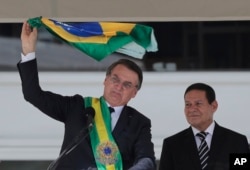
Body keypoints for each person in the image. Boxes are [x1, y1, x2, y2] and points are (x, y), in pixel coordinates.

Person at [18, 21, 156, 170]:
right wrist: (28, 49)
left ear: (134, 92)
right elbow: (33, 94)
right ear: (106, 79)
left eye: (127, 85)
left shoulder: (140, 123)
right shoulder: (77, 107)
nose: (119, 87)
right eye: (115, 79)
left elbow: (146, 160)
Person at [159, 82, 250, 170]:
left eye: (198, 103)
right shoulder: (172, 145)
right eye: (188, 104)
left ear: (214, 106)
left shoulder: (237, 142)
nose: (192, 109)